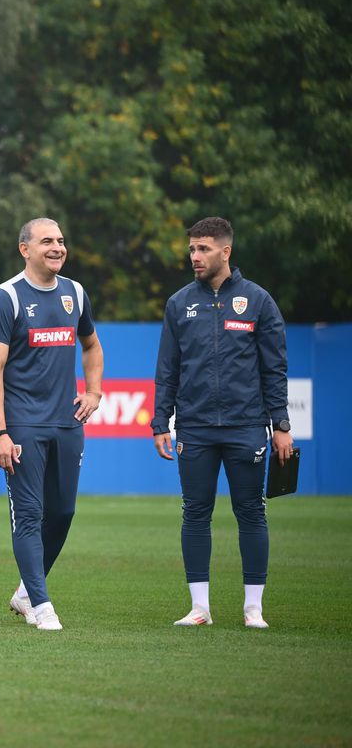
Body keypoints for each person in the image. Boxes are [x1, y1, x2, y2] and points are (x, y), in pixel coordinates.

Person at [152, 216, 292, 630]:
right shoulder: (179, 303)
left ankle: (253, 609)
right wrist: (160, 421)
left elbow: (274, 369)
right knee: (195, 512)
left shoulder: (259, 301)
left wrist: (281, 424)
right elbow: (167, 369)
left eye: (204, 249)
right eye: (192, 249)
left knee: (251, 512)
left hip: (246, 425)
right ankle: (200, 608)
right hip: (194, 427)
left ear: (225, 251)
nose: (195, 256)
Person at [0, 217, 104, 631]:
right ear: (25, 249)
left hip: (67, 424)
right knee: (29, 514)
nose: (57, 247)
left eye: (61, 240)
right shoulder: (6, 297)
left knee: (63, 512)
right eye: (47, 241)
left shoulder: (75, 293)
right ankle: (41, 604)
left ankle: (24, 593)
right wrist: (0, 432)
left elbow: (91, 345)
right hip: (23, 426)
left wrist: (94, 392)